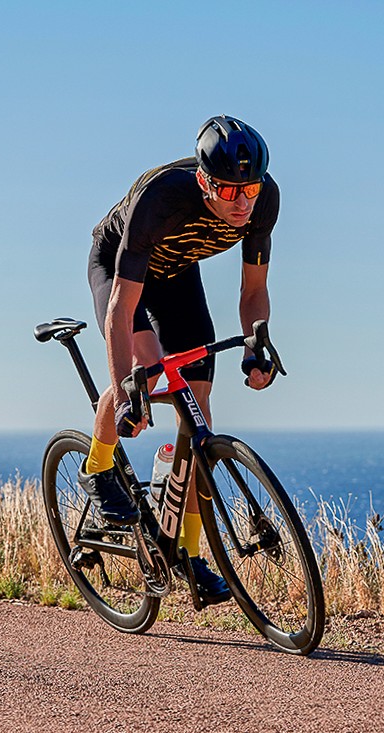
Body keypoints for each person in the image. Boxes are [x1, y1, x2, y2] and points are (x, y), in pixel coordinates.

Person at [82, 115, 280, 604]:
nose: (242, 201)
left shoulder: (263, 202)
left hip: (176, 276)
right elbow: (121, 310)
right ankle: (97, 467)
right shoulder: (161, 199)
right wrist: (127, 390)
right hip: (121, 272)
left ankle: (188, 555)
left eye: (250, 187)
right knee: (144, 378)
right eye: (230, 190)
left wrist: (258, 343)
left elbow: (253, 290)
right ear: (203, 180)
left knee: (199, 418)